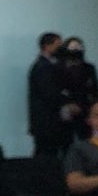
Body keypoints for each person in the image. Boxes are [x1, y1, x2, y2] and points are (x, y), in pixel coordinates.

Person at [28, 32, 72, 161]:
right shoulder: (43, 67)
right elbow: (49, 94)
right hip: (47, 122)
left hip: (49, 122)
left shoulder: (50, 65)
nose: (61, 48)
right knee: (45, 158)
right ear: (47, 46)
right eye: (58, 45)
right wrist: (68, 102)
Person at [57, 36, 98, 139]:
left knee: (86, 138)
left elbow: (95, 90)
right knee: (65, 140)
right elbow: (56, 89)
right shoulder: (59, 67)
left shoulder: (89, 68)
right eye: (72, 48)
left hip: (85, 107)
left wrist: (95, 108)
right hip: (65, 109)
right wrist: (67, 104)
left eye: (78, 48)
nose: (76, 50)